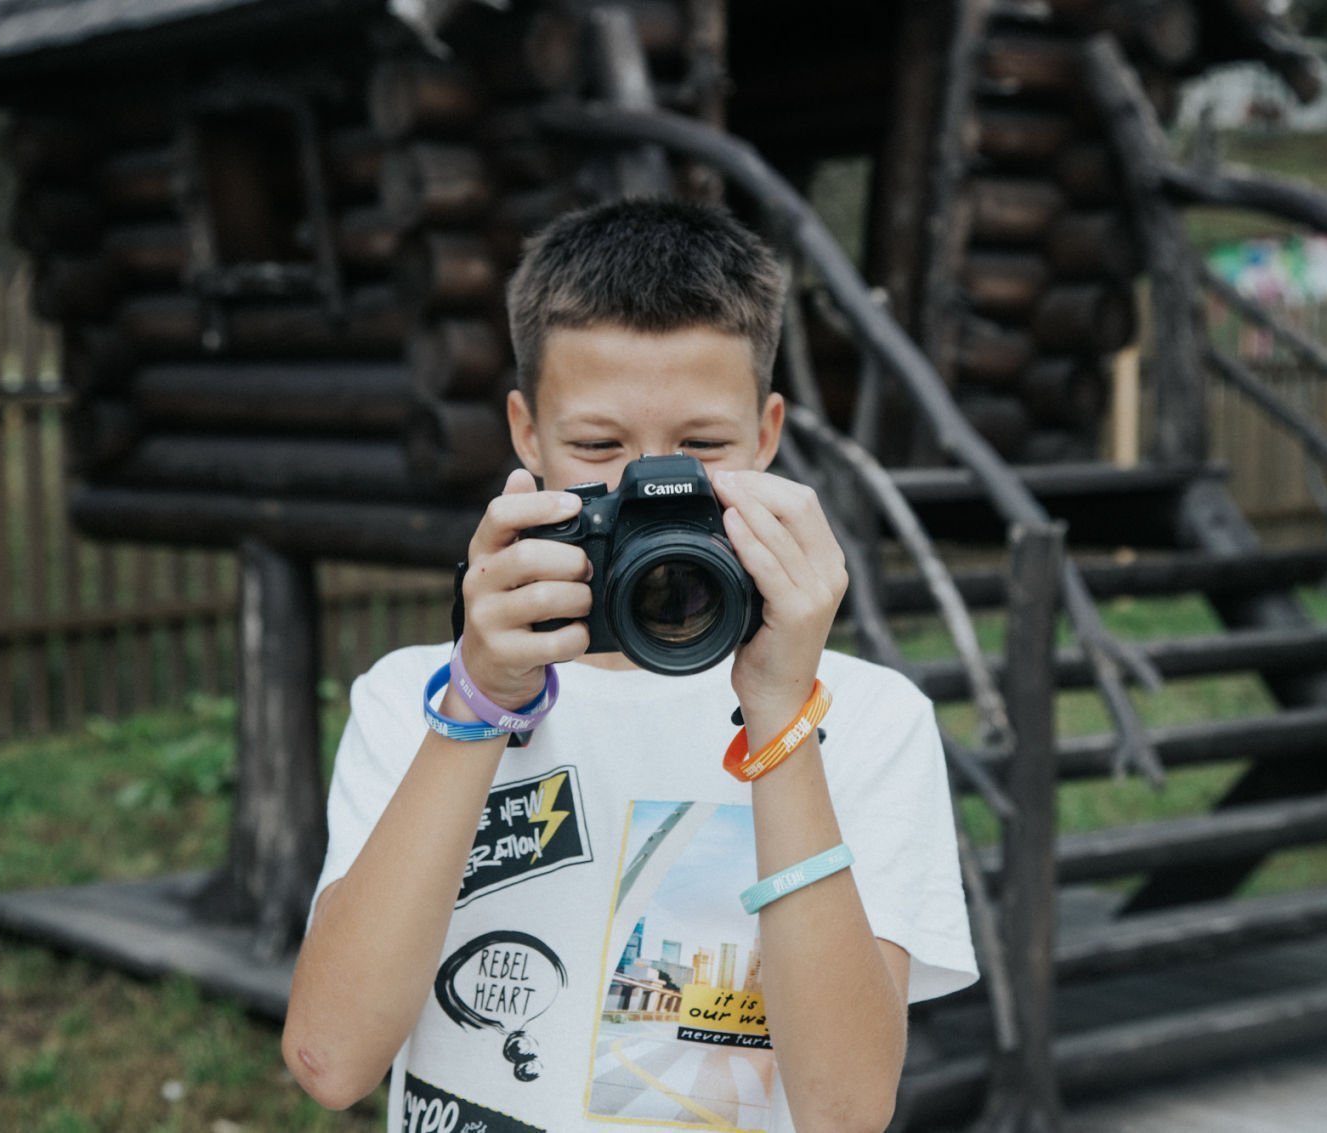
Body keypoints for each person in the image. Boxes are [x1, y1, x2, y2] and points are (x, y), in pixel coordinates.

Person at [281, 197, 978, 1133]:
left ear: (767, 434)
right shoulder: (417, 699)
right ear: (527, 432)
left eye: (704, 446)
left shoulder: (865, 716)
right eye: (598, 446)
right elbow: (330, 1062)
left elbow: (845, 1112)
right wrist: (477, 705)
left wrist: (781, 711)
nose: (652, 488)